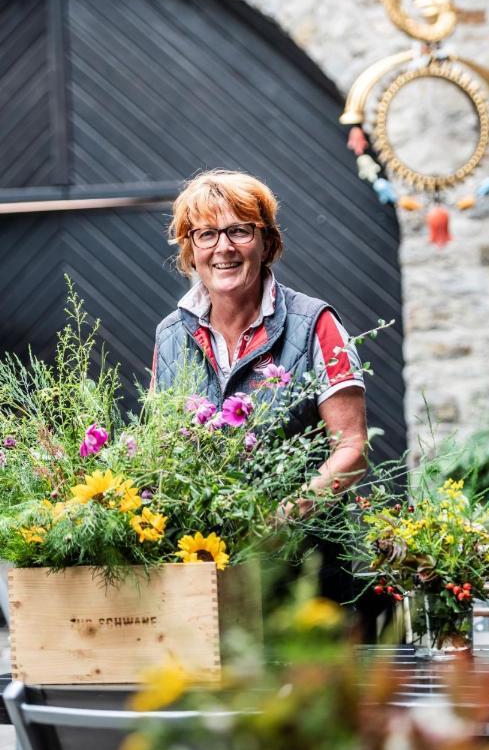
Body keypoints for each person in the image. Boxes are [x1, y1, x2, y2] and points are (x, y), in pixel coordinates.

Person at [153, 169, 368, 604]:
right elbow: (162, 449)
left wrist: (281, 519)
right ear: (189, 250)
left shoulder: (314, 324)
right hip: (209, 578)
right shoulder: (170, 335)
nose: (223, 247)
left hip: (305, 574)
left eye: (239, 230)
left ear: (267, 242)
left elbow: (352, 448)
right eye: (206, 234)